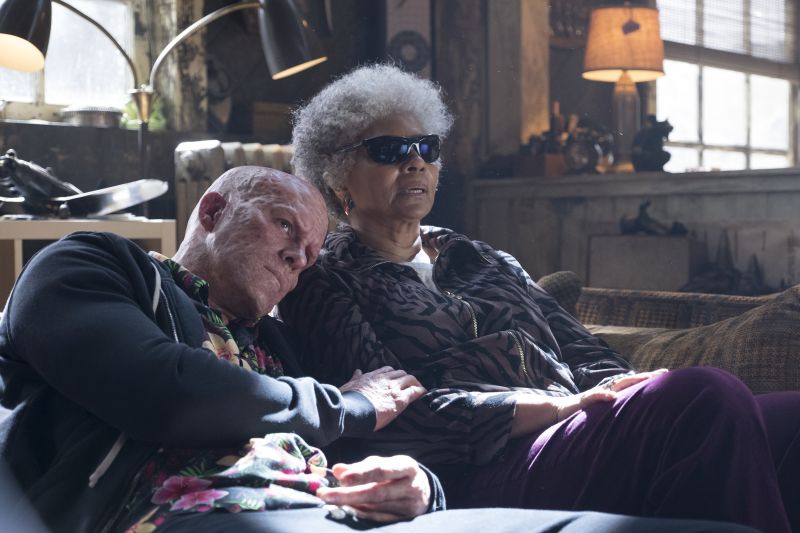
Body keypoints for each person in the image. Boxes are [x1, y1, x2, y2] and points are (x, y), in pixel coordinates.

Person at [0, 166, 736, 533]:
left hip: (342, 516)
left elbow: (379, 441)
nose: (300, 257)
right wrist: (350, 404)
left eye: (313, 249)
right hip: (183, 514)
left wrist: (419, 482)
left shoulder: (280, 340)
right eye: (286, 227)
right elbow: (170, 392)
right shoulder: (93, 267)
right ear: (215, 210)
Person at [280, 64, 800, 533]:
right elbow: (383, 415)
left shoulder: (481, 258)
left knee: (788, 418)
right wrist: (554, 408)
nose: (415, 162)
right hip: (475, 465)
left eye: (427, 147)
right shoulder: (325, 278)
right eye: (390, 150)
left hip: (573, 431)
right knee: (705, 397)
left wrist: (620, 388)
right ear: (336, 174)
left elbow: (583, 348)